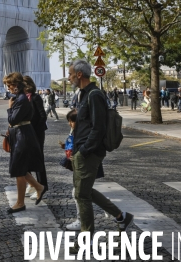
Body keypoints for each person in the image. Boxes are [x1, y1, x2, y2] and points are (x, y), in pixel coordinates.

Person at [67, 59, 133, 252]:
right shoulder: (85, 94)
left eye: (71, 74)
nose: (69, 77)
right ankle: (122, 217)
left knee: (81, 194)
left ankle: (86, 240)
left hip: (89, 152)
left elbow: (98, 127)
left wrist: (84, 151)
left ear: (79, 74)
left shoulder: (94, 95)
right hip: (82, 151)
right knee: (84, 191)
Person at [3, 72, 46, 214]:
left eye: (9, 85)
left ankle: (20, 202)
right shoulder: (19, 98)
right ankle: (38, 187)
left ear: (15, 85)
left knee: (19, 170)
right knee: (19, 169)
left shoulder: (21, 99)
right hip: (20, 135)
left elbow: (12, 119)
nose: (8, 88)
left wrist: (9, 108)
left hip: (22, 136)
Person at [23, 76, 48, 199]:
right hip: (28, 133)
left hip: (37, 133)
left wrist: (34, 130)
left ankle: (42, 185)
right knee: (27, 160)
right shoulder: (24, 98)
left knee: (38, 160)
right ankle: (33, 184)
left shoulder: (35, 97)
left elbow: (43, 116)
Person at [60, 109, 79, 230]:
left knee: (78, 193)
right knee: (80, 192)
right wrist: (65, 147)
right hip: (75, 162)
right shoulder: (75, 132)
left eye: (71, 121)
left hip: (80, 162)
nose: (69, 124)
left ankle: (81, 220)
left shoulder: (80, 133)